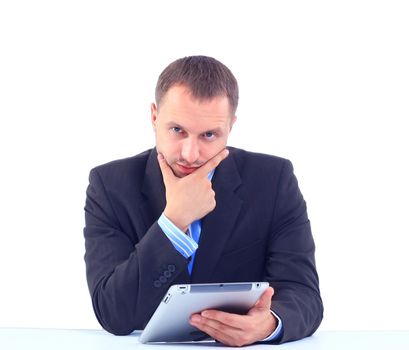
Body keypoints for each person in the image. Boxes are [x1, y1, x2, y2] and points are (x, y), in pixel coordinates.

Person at [83, 55, 323, 346]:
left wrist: (270, 323)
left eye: (209, 134)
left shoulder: (273, 180)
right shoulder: (110, 186)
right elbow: (113, 313)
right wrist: (173, 223)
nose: (190, 154)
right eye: (177, 130)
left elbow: (304, 293)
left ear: (230, 126)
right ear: (154, 117)